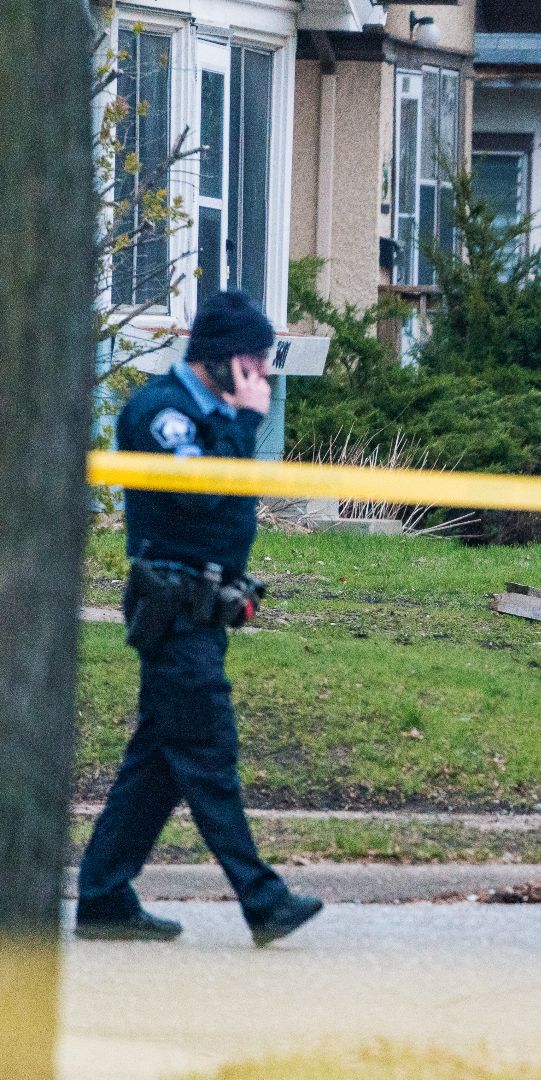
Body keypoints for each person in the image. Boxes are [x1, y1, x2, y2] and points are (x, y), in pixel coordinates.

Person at [75, 291, 324, 946]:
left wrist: (238, 422)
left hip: (202, 613)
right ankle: (262, 900)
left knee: (159, 763)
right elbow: (203, 491)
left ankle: (102, 896)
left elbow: (228, 487)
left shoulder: (212, 414)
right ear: (222, 359)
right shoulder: (161, 413)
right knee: (209, 754)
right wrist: (245, 423)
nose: (265, 376)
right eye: (256, 363)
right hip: (174, 610)